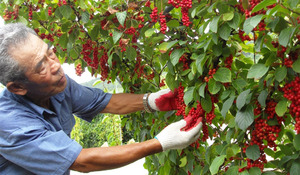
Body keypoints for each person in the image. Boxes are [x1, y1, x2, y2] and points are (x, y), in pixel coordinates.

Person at [0, 23, 203, 175]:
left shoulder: (57, 85)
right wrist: (161, 143)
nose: (55, 65)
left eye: (50, 53)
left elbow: (101, 102)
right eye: (40, 66)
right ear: (17, 87)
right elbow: (81, 161)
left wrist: (151, 101)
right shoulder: (10, 124)